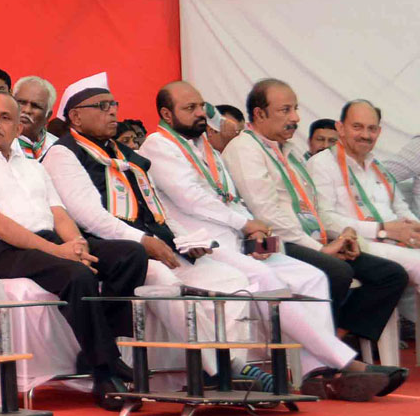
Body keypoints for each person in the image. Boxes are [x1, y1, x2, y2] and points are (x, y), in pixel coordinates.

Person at [143, 80, 402, 400]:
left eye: (200, 106)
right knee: (267, 279)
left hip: (238, 240)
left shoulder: (203, 146)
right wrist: (246, 223)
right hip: (203, 247)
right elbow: (192, 199)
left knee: (311, 277)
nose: (199, 113)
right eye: (189, 108)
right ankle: (343, 361)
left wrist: (254, 230)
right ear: (166, 114)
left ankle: (313, 372)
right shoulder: (159, 145)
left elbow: (230, 197)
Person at [42, 74, 256, 383]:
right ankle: (224, 369)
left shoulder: (125, 155)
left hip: (154, 244)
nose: (112, 111)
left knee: (231, 280)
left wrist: (185, 239)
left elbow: (156, 209)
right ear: (75, 116)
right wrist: (143, 241)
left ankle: (231, 367)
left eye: (113, 104)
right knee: (163, 279)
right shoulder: (64, 153)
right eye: (101, 106)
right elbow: (89, 216)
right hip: (113, 253)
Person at [0, 92, 146, 409]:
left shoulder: (32, 167)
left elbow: (59, 213)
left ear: (18, 128)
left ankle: (95, 350)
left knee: (130, 256)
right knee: (76, 275)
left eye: (5, 118)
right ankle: (105, 370)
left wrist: (76, 244)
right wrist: (58, 251)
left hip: (46, 241)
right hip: (0, 250)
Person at [223, 80, 409, 349]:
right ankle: (321, 352)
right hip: (272, 242)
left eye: (295, 109)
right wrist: (320, 249)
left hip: (311, 238)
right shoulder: (245, 149)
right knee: (338, 271)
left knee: (391, 275)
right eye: (285, 110)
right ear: (259, 114)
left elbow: (312, 208)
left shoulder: (289, 150)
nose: (295, 118)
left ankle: (342, 341)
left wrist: (341, 236)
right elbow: (267, 215)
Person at [308, 99, 420, 309]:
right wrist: (382, 230)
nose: (365, 135)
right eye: (357, 127)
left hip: (393, 241)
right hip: (359, 245)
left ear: (379, 132)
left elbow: (401, 208)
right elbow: (324, 219)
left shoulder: (377, 166)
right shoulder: (322, 164)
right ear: (341, 128)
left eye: (372, 129)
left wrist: (415, 229)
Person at [10, 75, 58, 161]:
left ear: (48, 116)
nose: (26, 110)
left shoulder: (59, 148)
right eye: (22, 102)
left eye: (35, 106)